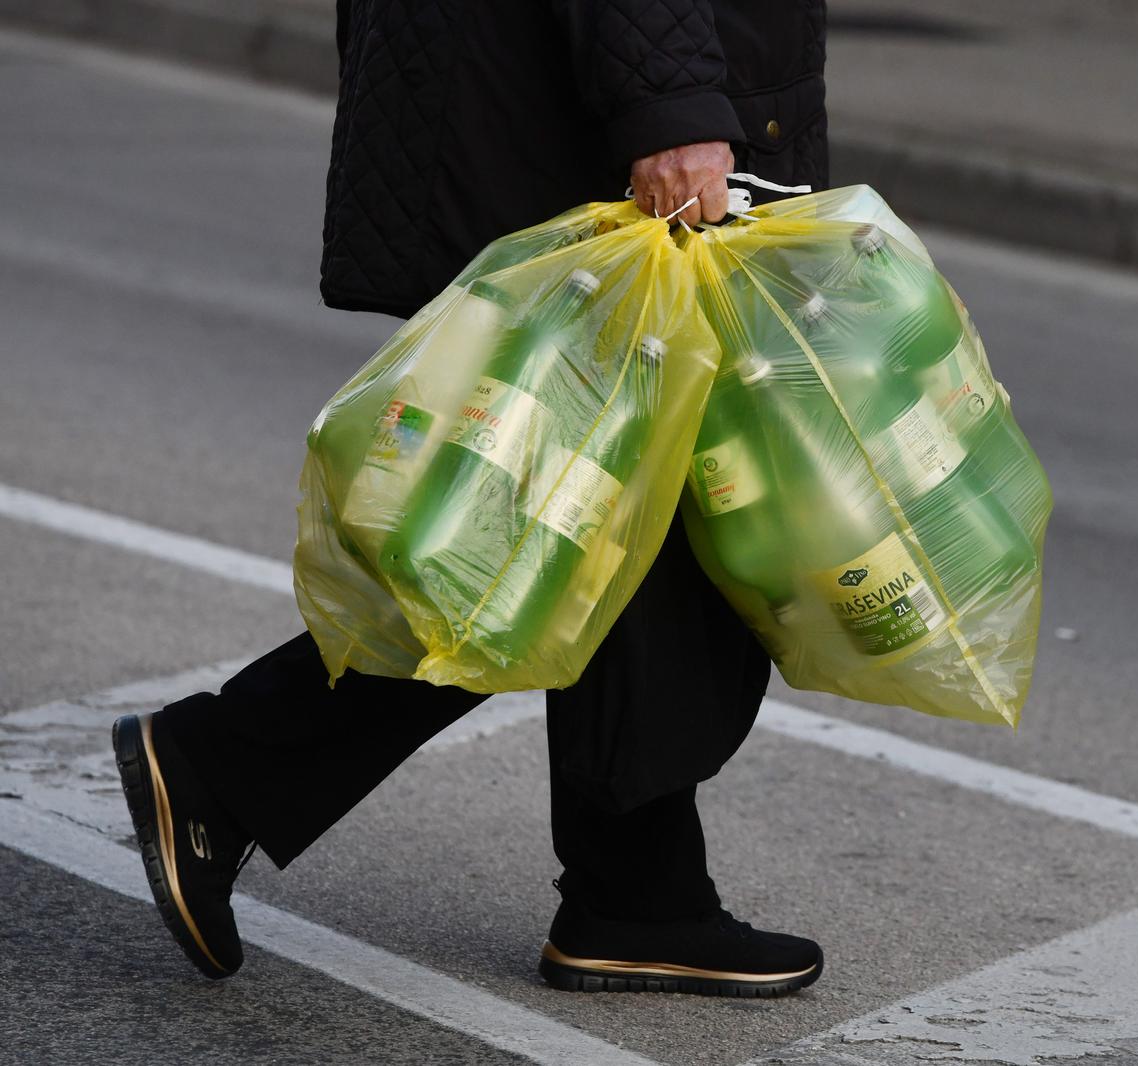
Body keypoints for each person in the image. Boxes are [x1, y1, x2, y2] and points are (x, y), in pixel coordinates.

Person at [111, 0, 829, 998]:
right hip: (585, 105)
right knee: (559, 535)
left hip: (544, 80)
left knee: (627, 528)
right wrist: (670, 106)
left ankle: (637, 892)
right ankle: (226, 765)